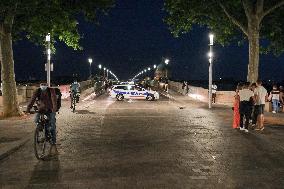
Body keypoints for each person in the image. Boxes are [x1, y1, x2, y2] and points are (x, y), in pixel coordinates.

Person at [26, 83, 61, 155]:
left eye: (44, 85)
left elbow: (54, 99)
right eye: (42, 85)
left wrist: (54, 109)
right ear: (40, 85)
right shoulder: (37, 91)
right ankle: (41, 130)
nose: (43, 86)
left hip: (50, 109)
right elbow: (32, 100)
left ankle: (53, 143)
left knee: (52, 126)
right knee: (36, 120)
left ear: (47, 86)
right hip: (41, 108)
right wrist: (28, 109)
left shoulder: (51, 90)